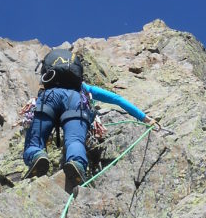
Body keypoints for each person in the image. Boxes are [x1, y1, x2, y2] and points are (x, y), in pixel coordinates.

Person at [23, 47, 159, 192]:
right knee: (75, 139)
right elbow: (116, 99)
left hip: (48, 97)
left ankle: (36, 155)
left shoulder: (48, 83)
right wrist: (144, 118)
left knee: (35, 139)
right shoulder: (82, 87)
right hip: (76, 101)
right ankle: (76, 163)